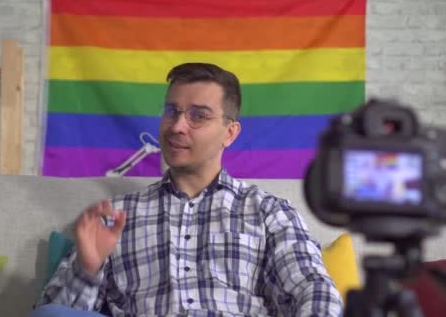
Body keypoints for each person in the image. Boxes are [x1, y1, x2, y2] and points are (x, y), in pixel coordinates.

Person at [34, 63, 343, 316]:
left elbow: (312, 290)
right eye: (172, 111)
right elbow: (55, 313)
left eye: (198, 115)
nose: (177, 126)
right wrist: (86, 269)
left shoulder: (268, 213)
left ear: (230, 133)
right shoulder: (116, 217)